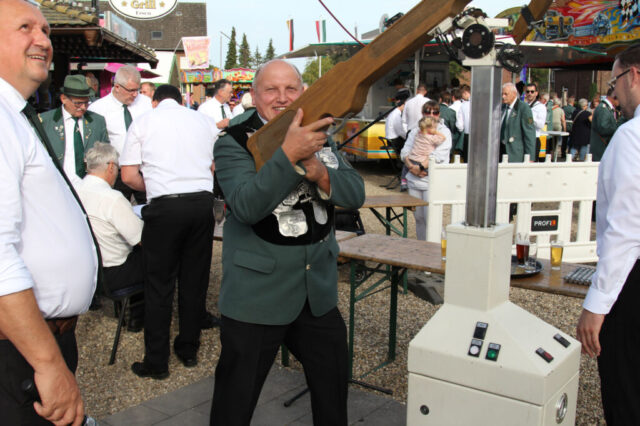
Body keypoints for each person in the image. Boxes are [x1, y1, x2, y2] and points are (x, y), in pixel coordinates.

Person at [209, 59, 365, 425]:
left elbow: (355, 193)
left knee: (332, 396)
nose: (282, 98)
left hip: (316, 292)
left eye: (290, 89)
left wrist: (321, 172)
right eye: (271, 90)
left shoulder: (318, 132)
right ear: (254, 95)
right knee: (234, 404)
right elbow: (246, 206)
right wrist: (289, 155)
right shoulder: (233, 142)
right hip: (256, 296)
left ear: (303, 92)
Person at [0, 0, 99, 424]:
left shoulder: (14, 114)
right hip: (20, 350)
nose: (42, 39)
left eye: (45, 30)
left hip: (36, 341)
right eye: (25, 28)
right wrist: (47, 363)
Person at [120, 84, 218, 379]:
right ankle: (188, 349)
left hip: (165, 206)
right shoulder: (203, 120)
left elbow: (128, 176)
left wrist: (156, 187)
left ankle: (157, 361)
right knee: (194, 280)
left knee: (159, 285)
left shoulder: (143, 121)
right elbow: (213, 166)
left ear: (155, 101)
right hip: (201, 203)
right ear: (179, 100)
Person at [576, 43, 640, 425]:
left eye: (614, 82)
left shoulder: (632, 137)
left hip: (632, 287)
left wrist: (596, 306)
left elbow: (625, 231)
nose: (614, 93)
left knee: (626, 395)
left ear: (635, 75)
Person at [76, 143, 145, 332]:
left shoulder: (75, 191)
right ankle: (140, 317)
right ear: (111, 167)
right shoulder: (112, 198)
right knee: (161, 255)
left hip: (89, 269)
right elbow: (140, 238)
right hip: (114, 273)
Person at [88, 64, 152, 203]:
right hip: (116, 172)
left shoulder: (147, 104)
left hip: (145, 169)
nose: (135, 94)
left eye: (137, 90)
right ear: (117, 87)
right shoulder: (98, 109)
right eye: (131, 90)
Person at [39, 74, 110, 186]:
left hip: (90, 186)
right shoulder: (45, 122)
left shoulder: (97, 121)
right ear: (64, 99)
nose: (83, 107)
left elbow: (106, 156)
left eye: (86, 102)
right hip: (56, 185)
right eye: (78, 103)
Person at [401, 100, 452, 241]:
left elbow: (439, 155)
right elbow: (405, 151)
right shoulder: (415, 130)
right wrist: (412, 167)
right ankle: (422, 247)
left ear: (439, 114)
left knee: (432, 218)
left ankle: (439, 248)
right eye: (427, 111)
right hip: (414, 179)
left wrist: (420, 167)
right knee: (419, 218)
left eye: (435, 112)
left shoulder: (444, 131)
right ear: (422, 113)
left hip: (432, 180)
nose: (431, 114)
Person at [500, 82, 536, 163]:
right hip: (501, 152)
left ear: (514, 94)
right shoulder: (502, 108)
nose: (503, 96)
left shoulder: (523, 108)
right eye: (502, 94)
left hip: (515, 154)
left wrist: (530, 157)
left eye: (506, 94)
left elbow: (529, 133)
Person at [589, 88, 619, 161]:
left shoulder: (607, 108)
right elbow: (603, 128)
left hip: (603, 150)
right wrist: (619, 127)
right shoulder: (603, 108)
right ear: (614, 96)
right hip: (601, 150)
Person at [524, 82, 547, 162]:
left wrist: (529, 118)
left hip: (534, 139)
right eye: (527, 91)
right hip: (523, 139)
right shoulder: (524, 106)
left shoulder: (540, 107)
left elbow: (540, 125)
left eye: (532, 91)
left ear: (536, 93)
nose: (529, 93)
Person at [455, 84, 471, 162]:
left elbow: (459, 125)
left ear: (465, 93)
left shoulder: (464, 105)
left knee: (467, 160)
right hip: (481, 136)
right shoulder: (481, 103)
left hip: (468, 135)